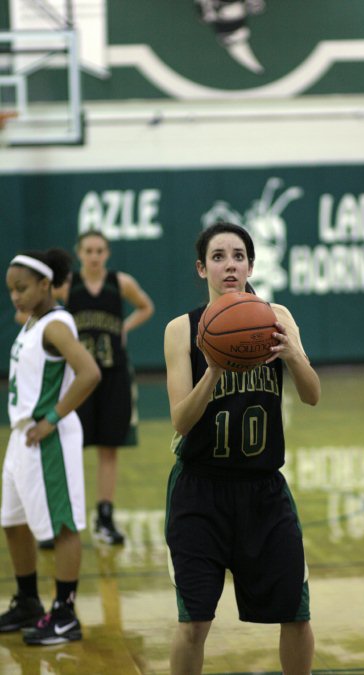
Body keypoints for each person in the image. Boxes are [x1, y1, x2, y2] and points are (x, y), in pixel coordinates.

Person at [164, 222, 321, 675]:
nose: (229, 265)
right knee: (194, 622)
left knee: (295, 614)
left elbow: (311, 394)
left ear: (250, 264)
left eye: (238, 256)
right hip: (200, 491)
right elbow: (180, 420)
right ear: (202, 268)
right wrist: (213, 369)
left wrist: (292, 354)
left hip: (263, 491)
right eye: (218, 256)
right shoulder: (181, 330)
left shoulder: (278, 317)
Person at [0, 249, 101, 645]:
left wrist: (53, 419)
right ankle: (28, 601)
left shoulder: (55, 325)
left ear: (46, 284)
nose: (15, 297)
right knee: (12, 521)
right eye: (10, 290)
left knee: (61, 525)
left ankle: (65, 613)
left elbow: (89, 373)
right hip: (23, 439)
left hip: (48, 439)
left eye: (22, 288)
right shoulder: (33, 323)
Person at [57, 230, 154, 545]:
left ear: (107, 253)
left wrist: (125, 326)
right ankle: (63, 517)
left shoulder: (119, 282)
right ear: (79, 252)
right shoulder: (67, 285)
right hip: (78, 379)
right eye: (89, 250)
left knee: (109, 449)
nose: (95, 256)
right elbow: (30, 310)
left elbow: (146, 307)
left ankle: (105, 517)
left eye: (100, 250)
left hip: (113, 376)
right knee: (69, 446)